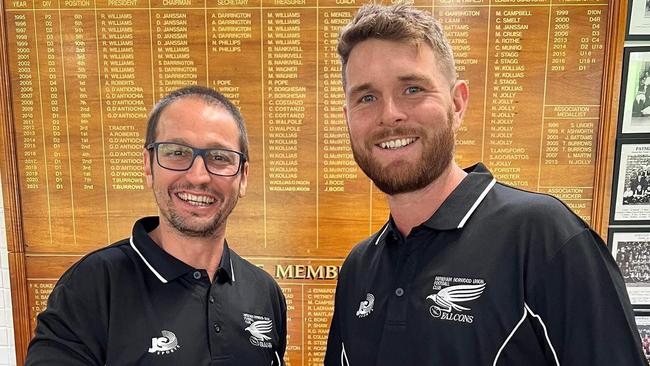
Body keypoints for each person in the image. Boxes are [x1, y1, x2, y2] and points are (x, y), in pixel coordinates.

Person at [324, 4, 646, 365]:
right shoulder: (358, 268)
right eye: (367, 97)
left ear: (457, 103)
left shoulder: (544, 238)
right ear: (348, 117)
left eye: (412, 89)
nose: (390, 114)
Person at [26, 86, 287, 365]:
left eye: (219, 157)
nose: (198, 176)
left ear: (243, 177)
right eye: (177, 152)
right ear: (149, 166)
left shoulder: (264, 292)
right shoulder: (92, 285)